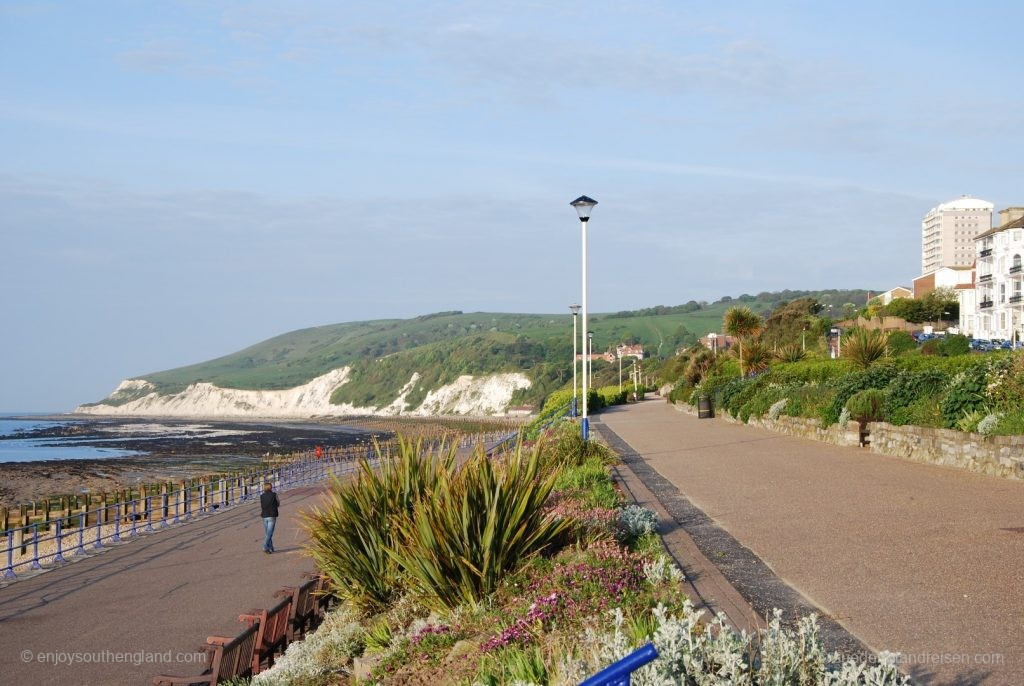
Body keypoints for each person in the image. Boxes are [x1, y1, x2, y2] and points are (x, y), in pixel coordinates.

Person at [260, 481, 280, 554]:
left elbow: (262, 505)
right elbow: (278, 503)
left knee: (268, 533)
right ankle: (265, 547)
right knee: (269, 533)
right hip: (272, 515)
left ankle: (271, 548)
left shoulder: (262, 496)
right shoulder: (274, 495)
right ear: (271, 487)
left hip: (264, 515)